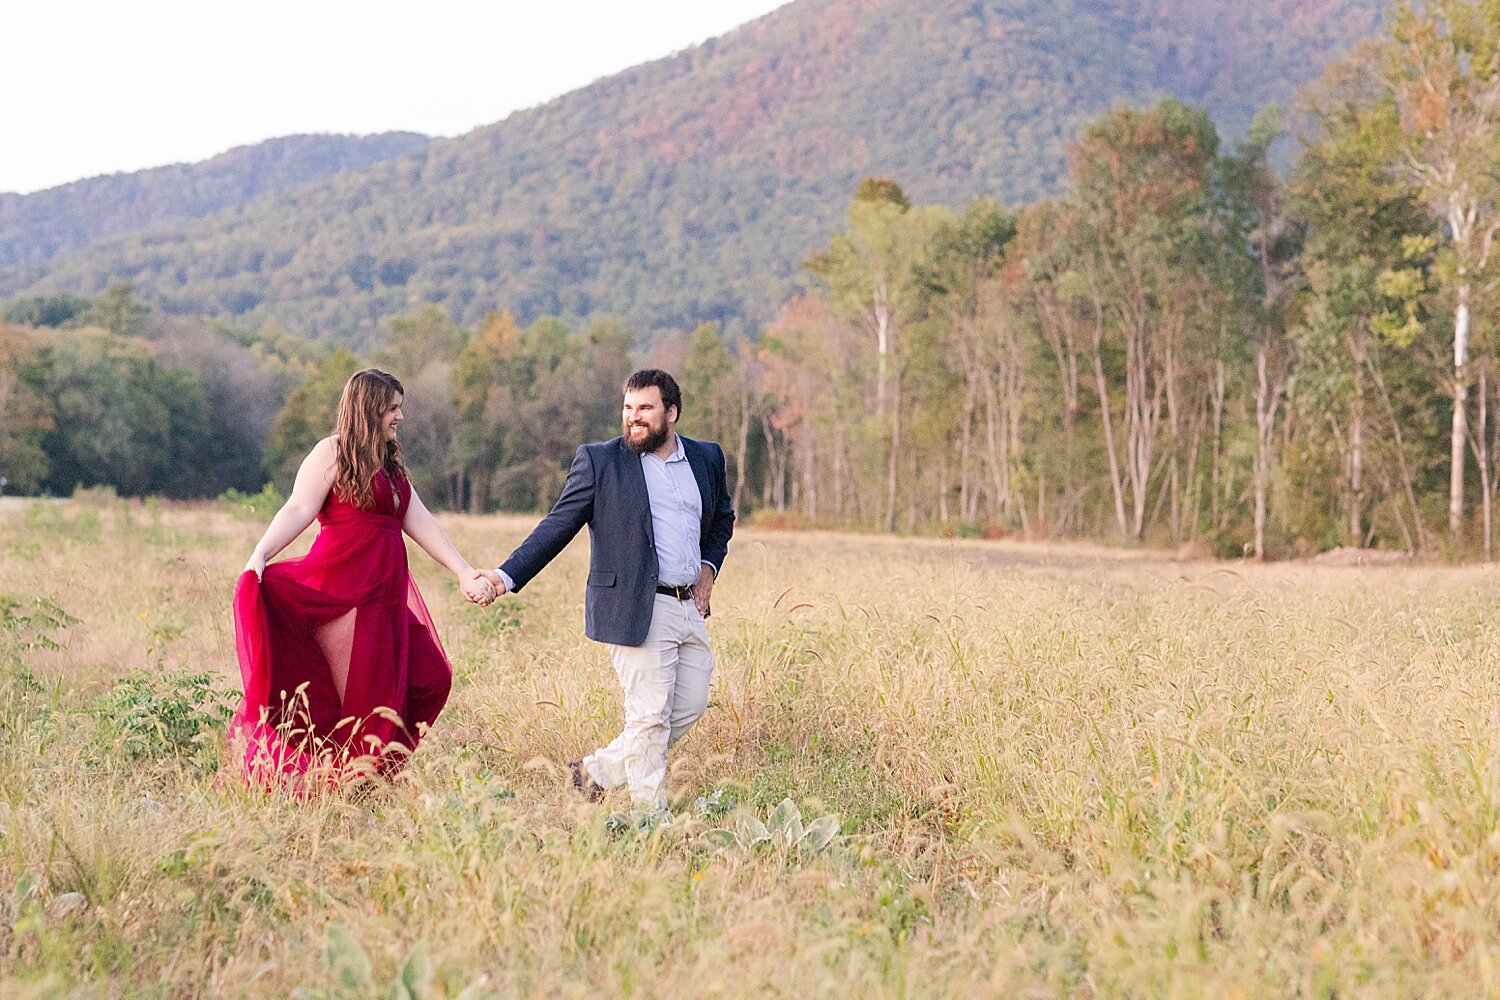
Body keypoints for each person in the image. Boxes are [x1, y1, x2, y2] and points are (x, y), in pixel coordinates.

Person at [477, 369, 735, 812]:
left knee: (690, 703)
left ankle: (595, 774)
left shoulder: (706, 458)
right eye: (628, 409)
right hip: (635, 605)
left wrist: (709, 567)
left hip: (688, 605)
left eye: (645, 410)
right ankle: (650, 822)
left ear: (671, 413)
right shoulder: (601, 461)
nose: (634, 419)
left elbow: (721, 520)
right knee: (650, 716)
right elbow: (557, 526)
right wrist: (505, 576)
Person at [232, 368, 494, 786]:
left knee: (431, 676)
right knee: (354, 696)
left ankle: (368, 775)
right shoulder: (332, 453)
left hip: (385, 598)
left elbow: (421, 522)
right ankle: (347, 783)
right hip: (343, 592)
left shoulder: (390, 466)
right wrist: (259, 556)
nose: (400, 417)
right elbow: (298, 509)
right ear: (369, 409)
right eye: (392, 409)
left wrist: (464, 571)